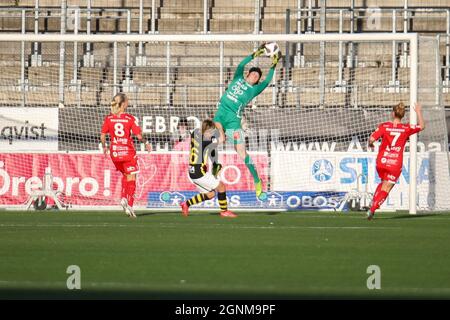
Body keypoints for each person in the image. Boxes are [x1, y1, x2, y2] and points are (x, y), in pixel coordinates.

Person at [213, 44, 281, 201]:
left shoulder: (254, 90)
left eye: (257, 77)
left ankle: (258, 182)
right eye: (253, 75)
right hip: (220, 114)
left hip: (233, 122)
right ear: (249, 74)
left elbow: (268, 79)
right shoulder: (238, 78)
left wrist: (274, 64)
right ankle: (212, 166)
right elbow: (241, 65)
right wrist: (255, 54)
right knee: (220, 139)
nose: (255, 77)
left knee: (243, 154)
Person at [367, 102, 425, 220]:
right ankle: (372, 208)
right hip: (394, 163)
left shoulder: (384, 126)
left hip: (382, 160)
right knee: (387, 187)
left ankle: (374, 202)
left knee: (383, 183)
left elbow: (371, 139)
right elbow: (422, 126)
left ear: (393, 113)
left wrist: (371, 144)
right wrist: (418, 111)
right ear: (403, 115)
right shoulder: (406, 128)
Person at [100, 93, 151, 218]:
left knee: (125, 175)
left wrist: (105, 146)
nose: (128, 102)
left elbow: (102, 135)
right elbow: (138, 136)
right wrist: (146, 143)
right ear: (123, 104)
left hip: (115, 153)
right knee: (132, 179)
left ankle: (123, 198)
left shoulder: (109, 118)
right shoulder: (129, 118)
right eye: (127, 101)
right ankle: (130, 205)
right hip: (128, 153)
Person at [180, 119, 237, 218]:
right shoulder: (206, 140)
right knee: (221, 187)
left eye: (212, 131)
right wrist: (219, 126)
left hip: (192, 171)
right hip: (199, 172)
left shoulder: (195, 133)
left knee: (210, 195)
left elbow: (210, 149)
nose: (211, 133)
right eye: (210, 131)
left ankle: (186, 204)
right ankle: (224, 211)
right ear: (205, 130)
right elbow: (222, 139)